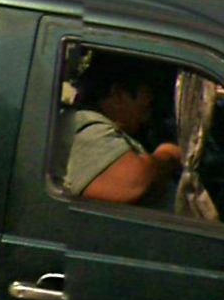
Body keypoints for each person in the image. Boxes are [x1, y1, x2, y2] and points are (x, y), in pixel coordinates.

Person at [64, 53, 181, 204]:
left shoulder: (117, 130)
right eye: (147, 91)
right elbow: (130, 183)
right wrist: (168, 155)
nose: (151, 99)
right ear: (118, 94)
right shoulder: (86, 127)